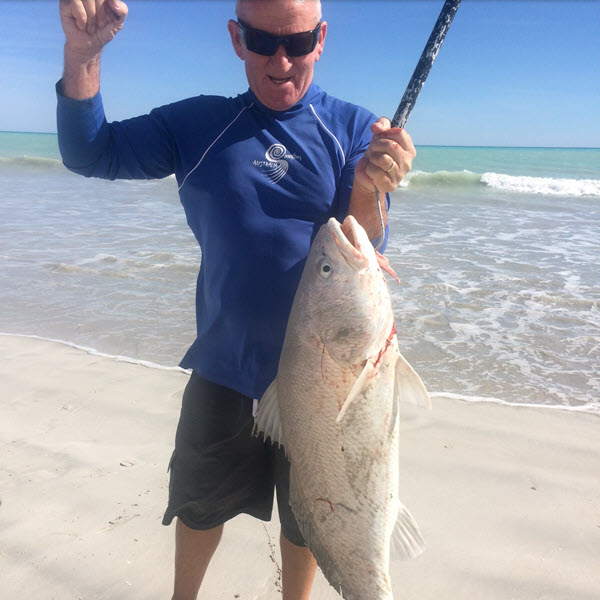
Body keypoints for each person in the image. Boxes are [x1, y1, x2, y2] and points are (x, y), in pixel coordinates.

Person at [56, 1, 416, 598]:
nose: (281, 60)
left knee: (311, 515)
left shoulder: (353, 128)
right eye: (261, 40)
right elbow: (89, 153)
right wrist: (83, 55)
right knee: (199, 505)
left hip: (327, 384)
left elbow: (367, 244)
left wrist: (372, 184)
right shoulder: (199, 125)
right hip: (225, 365)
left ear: (320, 40)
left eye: (298, 43)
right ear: (235, 38)